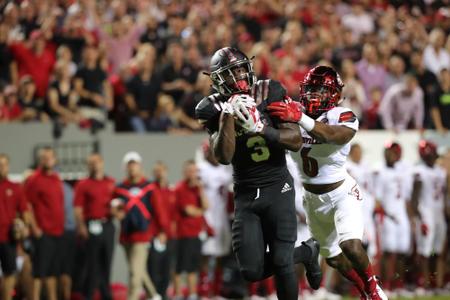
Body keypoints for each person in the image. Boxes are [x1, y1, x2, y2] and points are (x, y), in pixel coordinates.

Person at [195, 47, 321, 300]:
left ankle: (299, 256)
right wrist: (228, 116)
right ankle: (307, 252)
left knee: (282, 261)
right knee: (251, 270)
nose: (240, 75)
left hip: (278, 186)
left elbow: (295, 141)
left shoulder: (268, 91)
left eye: (242, 68)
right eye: (232, 72)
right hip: (246, 193)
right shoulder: (210, 107)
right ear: (219, 79)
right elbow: (223, 156)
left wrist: (261, 128)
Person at [266, 65, 387, 300]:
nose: (313, 94)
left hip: (342, 192)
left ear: (333, 95)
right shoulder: (293, 114)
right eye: (310, 89)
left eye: (320, 90)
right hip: (312, 199)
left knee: (351, 245)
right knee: (332, 258)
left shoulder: (342, 115)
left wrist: (299, 118)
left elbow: (331, 135)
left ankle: (374, 289)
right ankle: (363, 289)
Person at [113, 151, 167, 300]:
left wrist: (162, 230)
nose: (132, 168)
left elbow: (158, 209)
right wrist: (116, 213)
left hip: (143, 235)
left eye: (134, 165)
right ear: (125, 167)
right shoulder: (119, 188)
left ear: (140, 166)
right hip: (126, 235)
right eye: (129, 165)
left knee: (135, 275)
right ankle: (154, 295)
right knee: (138, 270)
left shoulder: (149, 187)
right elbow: (114, 208)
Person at [73, 153, 116, 300]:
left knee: (107, 261)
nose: (94, 165)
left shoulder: (110, 182)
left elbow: (117, 205)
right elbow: (78, 208)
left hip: (108, 225)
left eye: (97, 162)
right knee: (92, 263)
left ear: (102, 163)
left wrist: (118, 212)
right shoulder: (83, 184)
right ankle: (89, 294)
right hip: (91, 225)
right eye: (91, 162)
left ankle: (106, 294)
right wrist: (81, 226)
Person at [25, 147, 64, 300]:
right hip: (43, 233)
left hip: (57, 232)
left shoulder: (56, 178)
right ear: (40, 160)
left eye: (50, 157)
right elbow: (27, 205)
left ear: (55, 160)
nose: (47, 160)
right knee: (38, 272)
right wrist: (34, 228)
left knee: (52, 272)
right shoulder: (34, 179)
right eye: (44, 157)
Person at [374, 142, 411, 297]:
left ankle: (399, 284)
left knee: (402, 252)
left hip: (402, 216)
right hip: (388, 216)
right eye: (388, 153)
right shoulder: (380, 171)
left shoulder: (403, 170)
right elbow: (377, 199)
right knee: (388, 253)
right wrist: (386, 215)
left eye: (393, 153)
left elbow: (406, 197)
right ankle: (386, 285)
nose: (390, 156)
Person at [411, 141, 448, 294]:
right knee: (425, 251)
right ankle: (423, 284)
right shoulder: (419, 171)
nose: (430, 156)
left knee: (440, 251)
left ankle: (438, 284)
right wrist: (418, 216)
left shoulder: (441, 171)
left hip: (439, 213)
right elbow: (415, 196)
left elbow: (445, 195)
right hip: (426, 212)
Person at [198, 141, 233, 297]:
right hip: (207, 217)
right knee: (205, 254)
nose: (213, 154)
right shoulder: (201, 169)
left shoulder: (224, 169)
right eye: (210, 151)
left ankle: (216, 290)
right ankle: (203, 291)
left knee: (220, 254)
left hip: (221, 218)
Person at [0, 153, 29, 300]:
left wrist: (23, 227)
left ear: (8, 166)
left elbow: (24, 211)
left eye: (4, 164)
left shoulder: (15, 187)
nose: (1, 167)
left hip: (7, 237)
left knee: (10, 272)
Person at [147, 161, 177, 299]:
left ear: (166, 171)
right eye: (156, 170)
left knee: (167, 269)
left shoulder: (171, 191)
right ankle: (154, 295)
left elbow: (174, 213)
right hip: (155, 236)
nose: (159, 173)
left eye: (161, 170)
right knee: (153, 269)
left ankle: (163, 295)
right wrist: (159, 232)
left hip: (170, 237)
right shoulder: (150, 190)